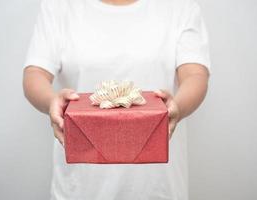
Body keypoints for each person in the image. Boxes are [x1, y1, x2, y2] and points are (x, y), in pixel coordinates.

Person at [22, 0, 211, 199]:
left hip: (156, 186)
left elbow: (195, 75)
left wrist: (177, 107)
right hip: (80, 185)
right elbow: (35, 73)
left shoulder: (180, 7)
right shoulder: (58, 6)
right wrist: (53, 101)